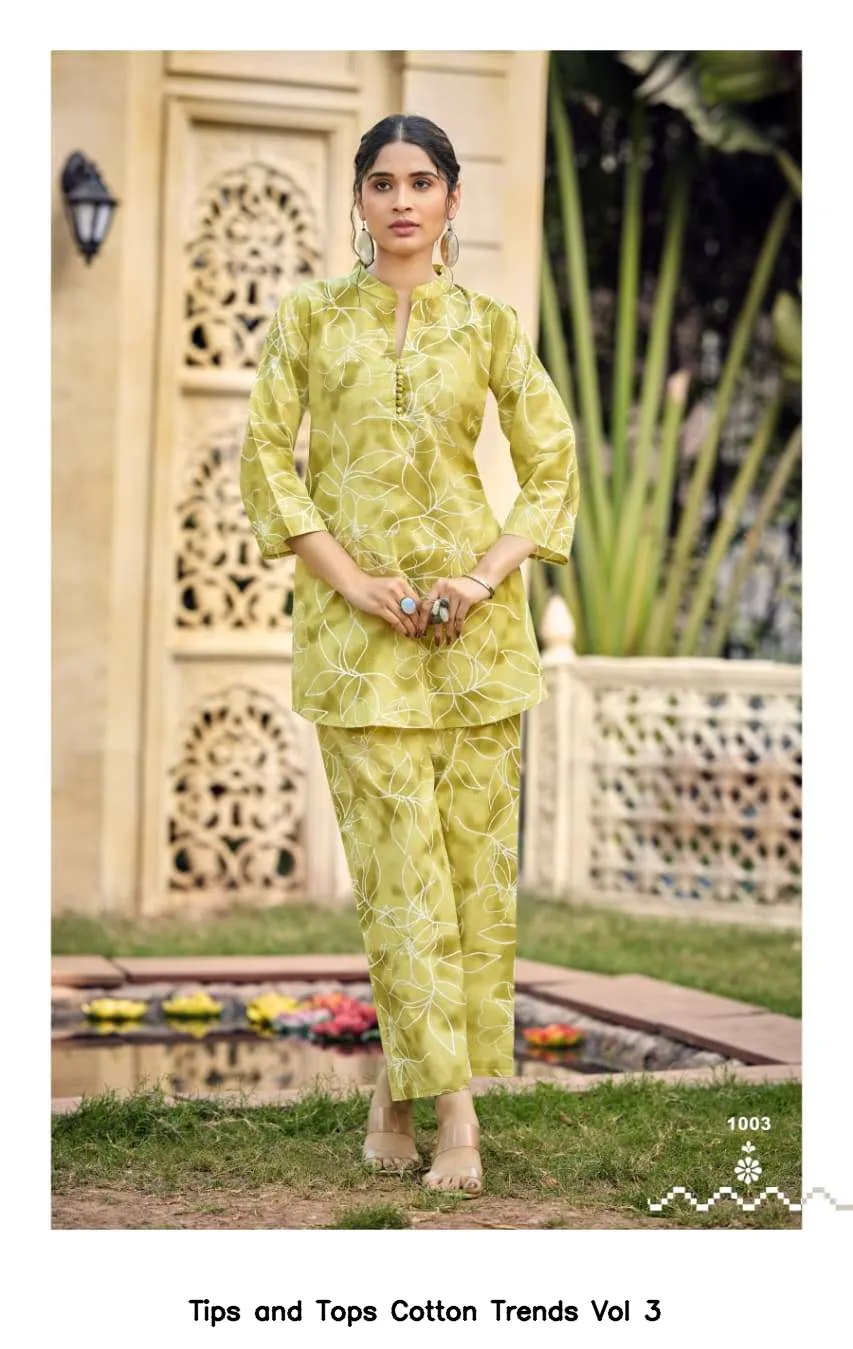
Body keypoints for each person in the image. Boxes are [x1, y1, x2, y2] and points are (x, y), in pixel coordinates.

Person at [240, 113, 579, 1197]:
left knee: (470, 881)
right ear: (357, 198)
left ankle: (397, 1089)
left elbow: (553, 462)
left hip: (474, 641)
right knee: (401, 880)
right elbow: (266, 458)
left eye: (420, 182)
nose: (400, 200)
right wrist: (350, 581)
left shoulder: (488, 326)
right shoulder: (309, 318)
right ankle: (457, 1118)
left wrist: (482, 577)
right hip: (357, 647)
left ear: (451, 199)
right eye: (382, 182)